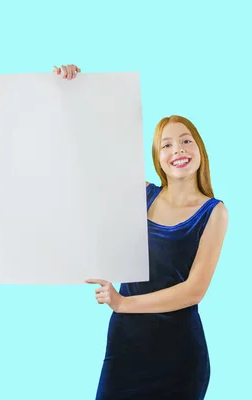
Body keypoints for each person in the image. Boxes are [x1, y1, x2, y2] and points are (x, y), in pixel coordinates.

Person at [54, 64, 229, 399]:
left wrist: (123, 303)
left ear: (199, 150)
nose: (177, 149)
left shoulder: (215, 212)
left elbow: (193, 291)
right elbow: (92, 158)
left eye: (185, 140)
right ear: (157, 158)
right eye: (166, 145)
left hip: (179, 357)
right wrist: (71, 94)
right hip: (126, 348)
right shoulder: (139, 194)